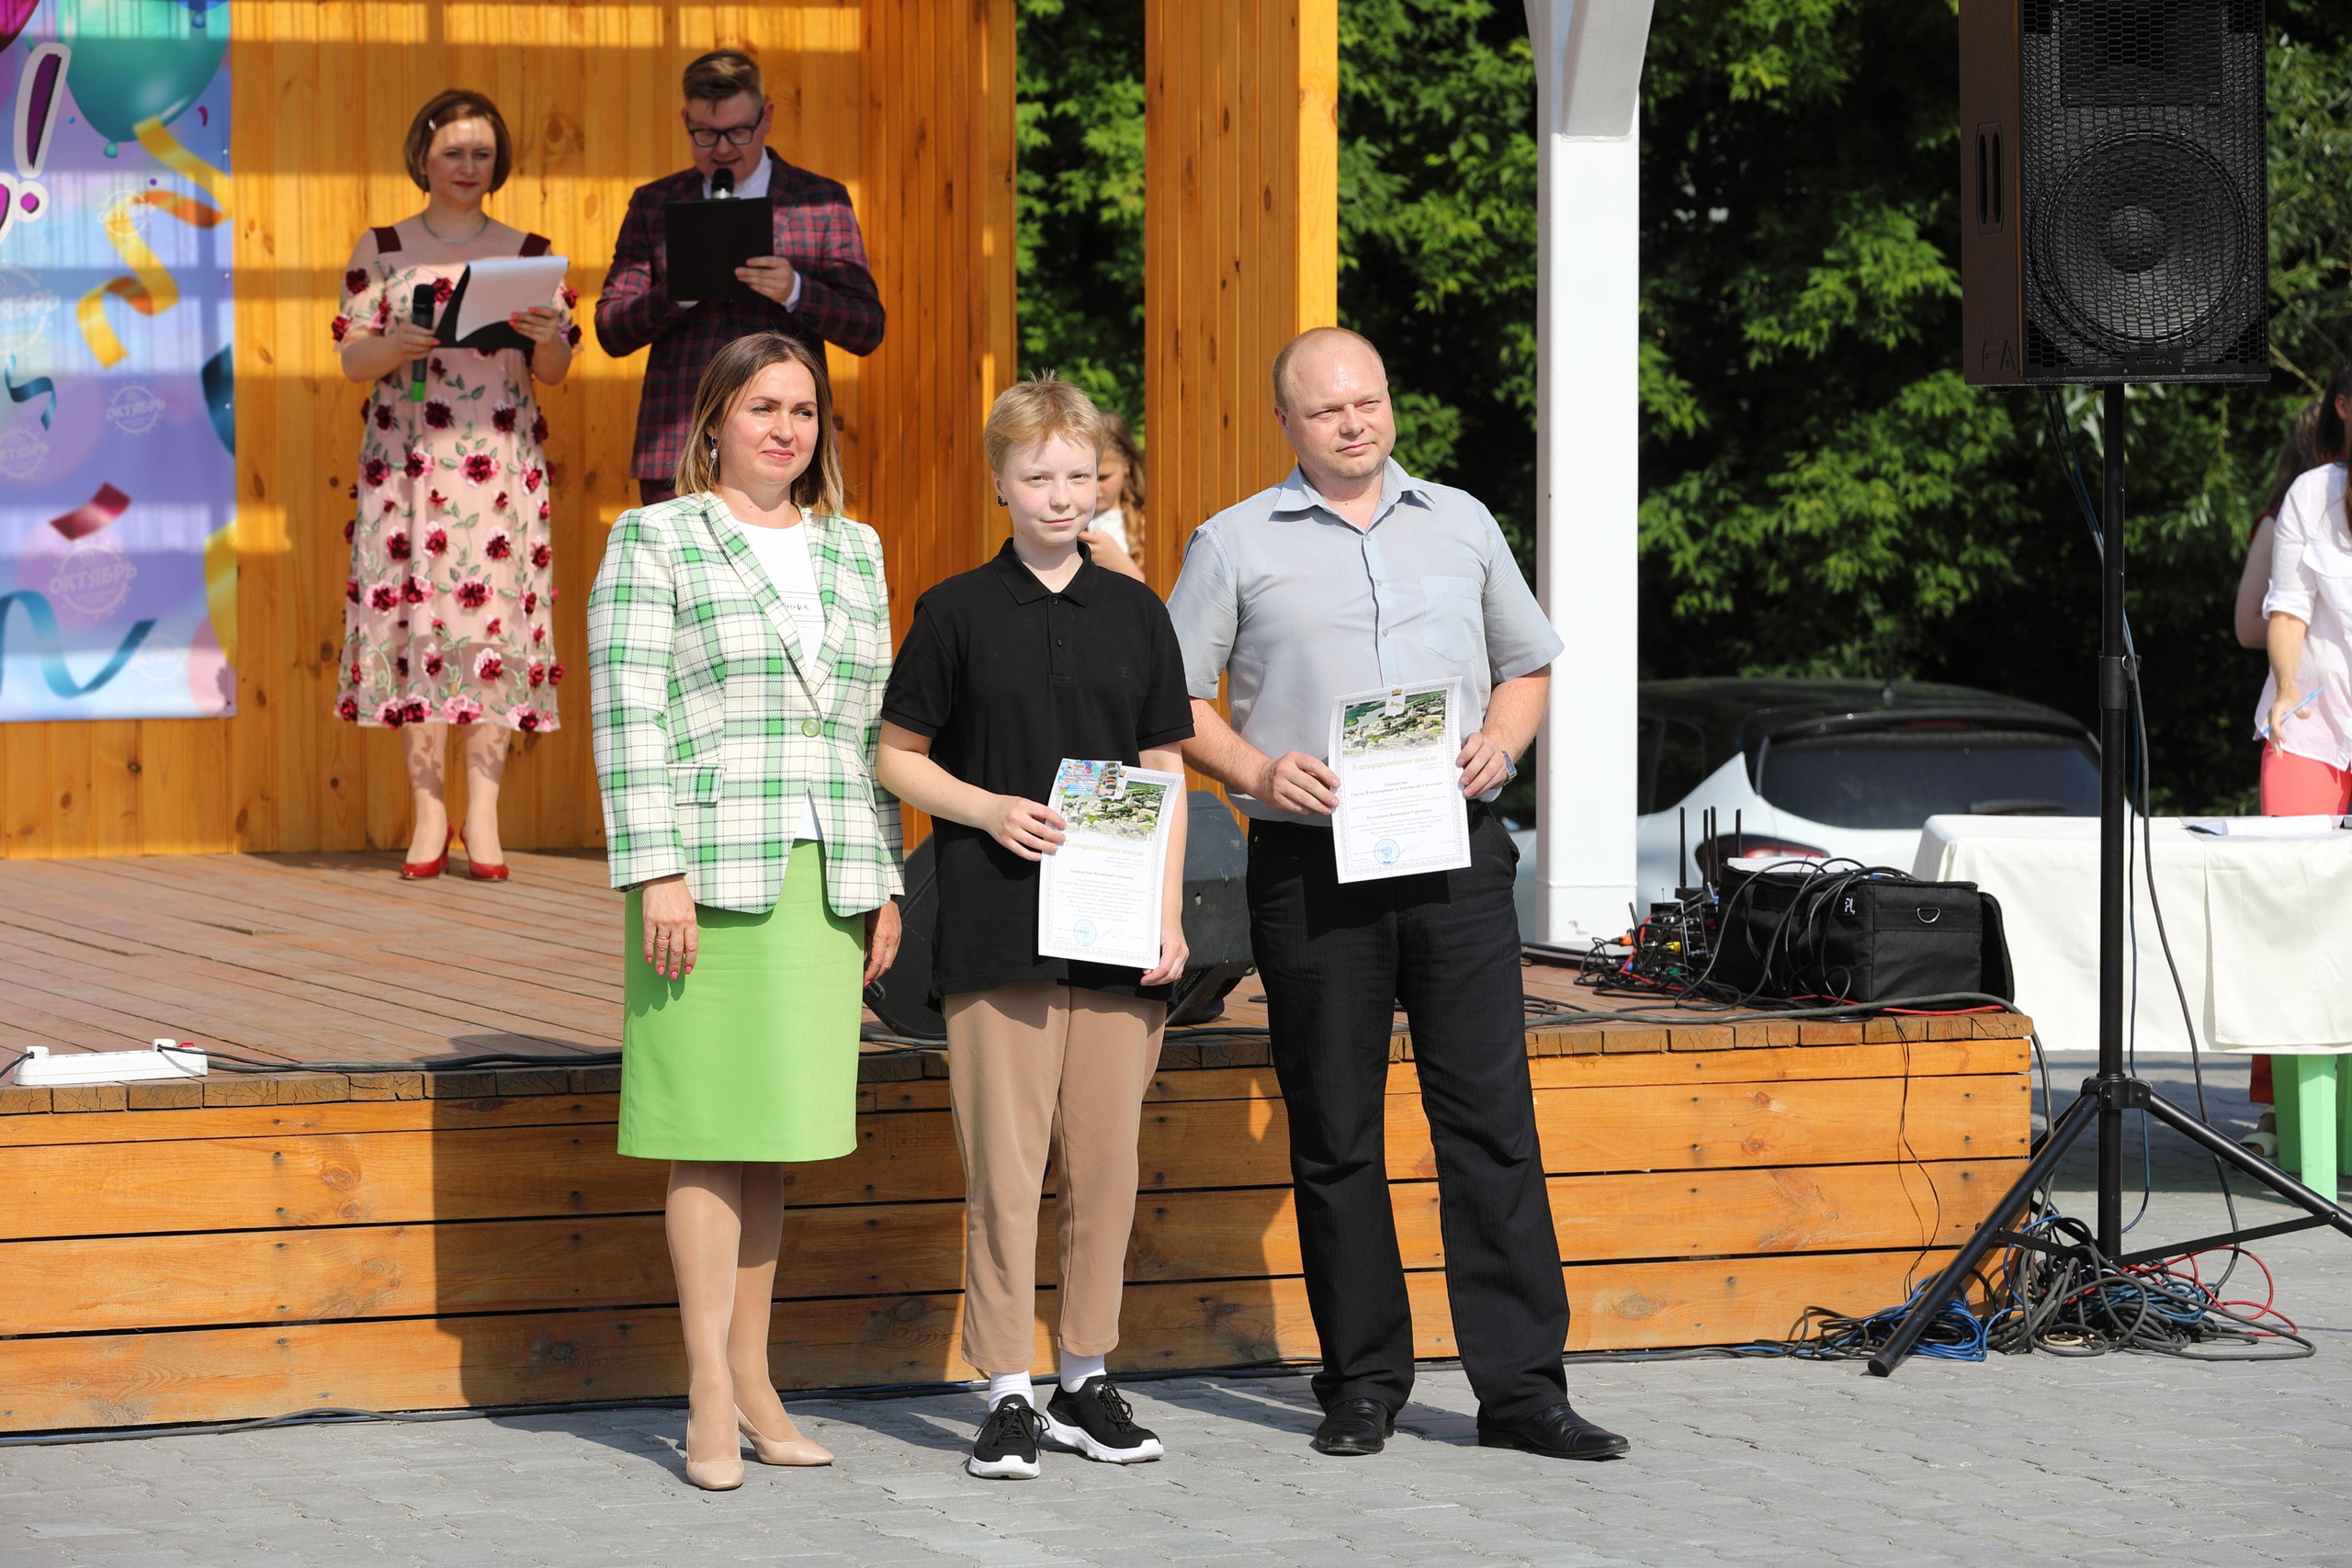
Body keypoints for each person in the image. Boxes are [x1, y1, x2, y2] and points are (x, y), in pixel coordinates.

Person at [1166, 326, 1626, 1462]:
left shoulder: (1462, 521)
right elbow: (1172, 703)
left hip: (1456, 852)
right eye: (1327, 411)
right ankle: (1361, 1383)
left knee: (1490, 1122)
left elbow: (1525, 663)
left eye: (1367, 402)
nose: (1354, 423)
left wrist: (1502, 747)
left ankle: (1522, 1392)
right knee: (1335, 1130)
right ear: (1286, 424)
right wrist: (1258, 771)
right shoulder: (1229, 543)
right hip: (1312, 862)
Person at [587, 331, 905, 1492]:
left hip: (825, 878)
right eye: (762, 406)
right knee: (710, 1133)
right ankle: (707, 1394)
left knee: (778, 1143)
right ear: (713, 417)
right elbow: (627, 720)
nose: (785, 429)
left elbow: (871, 734)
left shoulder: (855, 549)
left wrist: (882, 879)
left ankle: (759, 1379)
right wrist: (653, 870)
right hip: (705, 877)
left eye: (805, 411)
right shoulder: (653, 538)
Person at [876, 377, 1193, 1481]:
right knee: (1005, 1170)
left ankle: (1086, 1375)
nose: (1063, 495)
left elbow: (1165, 770)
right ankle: (1005, 1388)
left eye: (1081, 474)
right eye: (1038, 476)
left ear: (1103, 480)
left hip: (1117, 932)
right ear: (1000, 485)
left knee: (1106, 1167)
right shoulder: (955, 611)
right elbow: (896, 754)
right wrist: (988, 809)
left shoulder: (1138, 611)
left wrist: (1167, 917)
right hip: (997, 926)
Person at [332, 89, 577, 881]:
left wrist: (550, 339)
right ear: (424, 159)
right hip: (408, 464)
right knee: (416, 625)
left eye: (481, 153)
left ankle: (485, 812)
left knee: (493, 630)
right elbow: (351, 360)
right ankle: (428, 812)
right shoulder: (383, 247)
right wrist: (395, 343)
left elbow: (557, 370)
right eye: (453, 153)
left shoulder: (532, 251)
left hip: (498, 467)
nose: (469, 167)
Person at [595, 50, 886, 508]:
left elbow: (867, 326)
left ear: (767, 117)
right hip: (679, 443)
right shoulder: (653, 202)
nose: (724, 148)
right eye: (706, 134)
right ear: (685, 119)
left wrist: (796, 290)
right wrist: (676, 294)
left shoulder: (821, 199)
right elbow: (610, 329)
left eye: (738, 131)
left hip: (788, 445)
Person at [2232, 398, 2328, 1149]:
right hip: (2311, 730)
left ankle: (2282, 1107)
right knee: (2296, 920)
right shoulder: (2295, 509)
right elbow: (2255, 620)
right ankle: (2281, 1106)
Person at [1078, 409, 1148, 581]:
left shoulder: (1148, 523)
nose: (1094, 489)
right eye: (1082, 477)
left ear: (1127, 463)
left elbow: (1167, 602)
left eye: (1103, 477)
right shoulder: (1067, 522)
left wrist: (1120, 565)